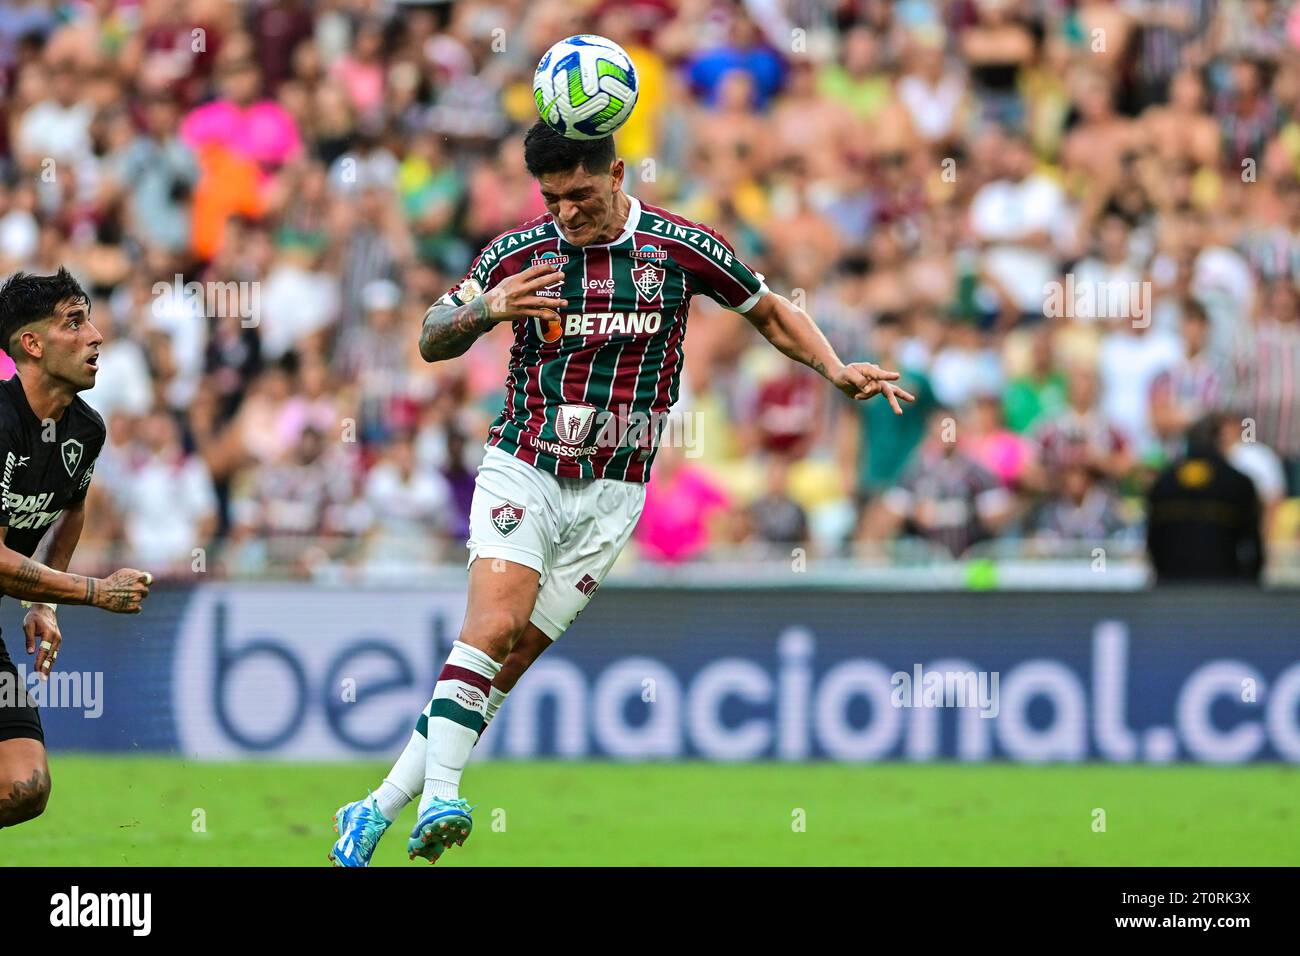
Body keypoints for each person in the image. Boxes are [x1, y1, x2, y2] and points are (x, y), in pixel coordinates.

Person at [328, 122, 915, 866]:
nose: (567, 214)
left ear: (617, 174)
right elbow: (431, 335)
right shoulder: (518, 255)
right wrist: (486, 310)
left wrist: (833, 368)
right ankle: (443, 795)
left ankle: (373, 808)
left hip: (615, 494)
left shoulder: (681, 248)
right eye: (552, 199)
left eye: (579, 196)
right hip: (527, 467)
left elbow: (767, 309)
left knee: (500, 671)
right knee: (493, 624)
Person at [0, 268, 152, 831]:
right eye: (75, 321)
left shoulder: (85, 430)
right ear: (32, 345)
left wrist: (45, 603)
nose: (96, 335)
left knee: (25, 786)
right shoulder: (1, 421)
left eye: (88, 317)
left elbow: (72, 508)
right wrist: (93, 590)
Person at [1146, 414, 1264, 583]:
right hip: (1225, 591)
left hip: (1171, 590)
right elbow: (1253, 546)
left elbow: (1153, 542)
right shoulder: (1239, 483)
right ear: (1220, 441)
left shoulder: (1163, 483)